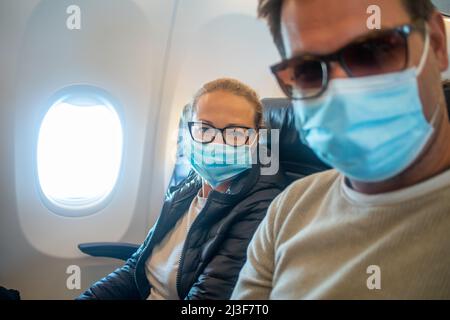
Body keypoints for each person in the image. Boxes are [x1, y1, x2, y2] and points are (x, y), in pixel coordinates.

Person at [232, 0, 450, 299]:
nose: (340, 90)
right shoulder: (290, 206)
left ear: (436, 44)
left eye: (371, 52)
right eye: (308, 69)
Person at [77, 78, 287, 300]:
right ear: (190, 130)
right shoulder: (191, 183)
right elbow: (135, 268)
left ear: (256, 139)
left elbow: (207, 299)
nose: (218, 143)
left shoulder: (261, 205)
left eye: (235, 133)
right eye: (205, 129)